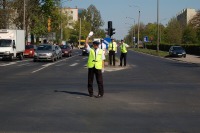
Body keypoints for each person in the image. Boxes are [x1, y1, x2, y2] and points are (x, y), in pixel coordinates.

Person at [85, 32, 105, 98]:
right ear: (93, 45)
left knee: (100, 81)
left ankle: (100, 93)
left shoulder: (101, 51)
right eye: (94, 44)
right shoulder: (90, 50)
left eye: (97, 44)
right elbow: (86, 43)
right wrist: (88, 36)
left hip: (98, 67)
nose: (95, 45)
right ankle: (91, 93)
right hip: (91, 67)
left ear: (98, 45)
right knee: (90, 81)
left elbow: (102, 60)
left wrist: (103, 68)